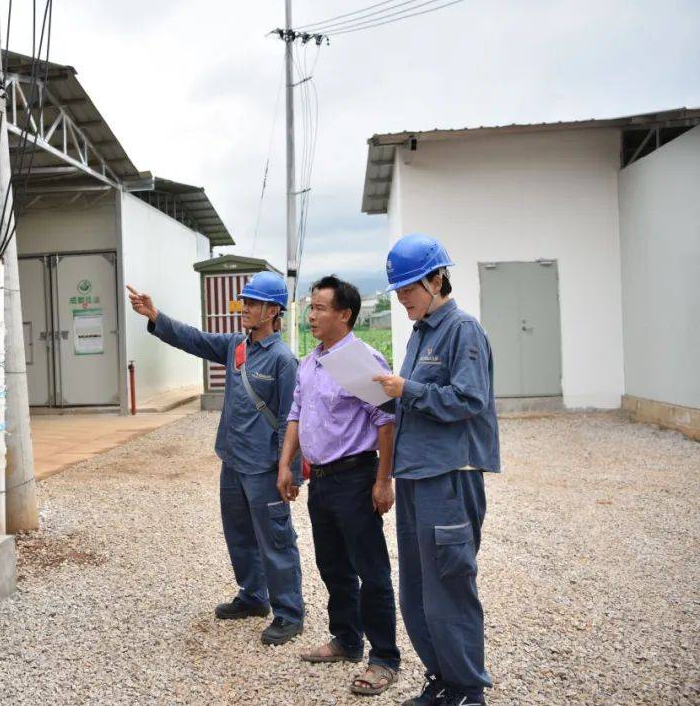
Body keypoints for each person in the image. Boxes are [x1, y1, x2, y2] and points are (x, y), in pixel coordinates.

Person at [126, 272, 304, 645]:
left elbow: (293, 419)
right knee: (239, 535)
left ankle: (289, 612)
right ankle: (254, 597)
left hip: (264, 469)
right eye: (245, 301)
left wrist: (289, 471)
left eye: (253, 303)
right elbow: (196, 339)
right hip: (233, 461)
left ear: (273, 311)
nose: (245, 308)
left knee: (275, 539)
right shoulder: (236, 347)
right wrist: (156, 315)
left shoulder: (284, 361)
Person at [371, 234, 500, 706]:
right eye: (398, 289)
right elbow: (416, 396)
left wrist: (408, 390)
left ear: (436, 278)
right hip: (417, 474)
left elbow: (470, 399)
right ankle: (443, 679)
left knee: (449, 585)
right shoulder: (422, 333)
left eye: (408, 287)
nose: (402, 297)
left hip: (449, 476)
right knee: (419, 589)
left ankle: (468, 690)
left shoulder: (462, 330)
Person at [277, 275, 401, 697]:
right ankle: (347, 639)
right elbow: (295, 413)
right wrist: (286, 465)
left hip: (355, 478)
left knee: (372, 571)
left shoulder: (363, 360)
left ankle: (384, 657)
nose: (310, 315)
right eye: (310, 307)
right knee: (333, 566)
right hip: (321, 481)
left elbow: (386, 422)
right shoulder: (311, 361)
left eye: (319, 308)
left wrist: (383, 481)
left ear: (344, 314)